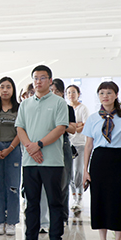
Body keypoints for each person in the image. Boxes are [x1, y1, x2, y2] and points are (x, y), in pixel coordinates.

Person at [15, 65, 69, 240]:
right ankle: (30, 239)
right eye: (35, 78)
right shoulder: (25, 104)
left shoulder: (59, 102)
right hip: (30, 161)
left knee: (55, 201)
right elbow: (20, 128)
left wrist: (38, 144)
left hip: (52, 161)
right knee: (31, 202)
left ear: (50, 81)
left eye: (42, 78)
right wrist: (30, 147)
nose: (38, 81)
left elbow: (60, 128)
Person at [82, 81, 121, 240]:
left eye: (109, 93)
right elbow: (88, 145)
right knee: (99, 200)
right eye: (102, 93)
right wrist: (85, 170)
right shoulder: (93, 118)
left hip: (117, 159)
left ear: (116, 95)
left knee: (119, 200)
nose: (105, 96)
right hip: (98, 161)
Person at [0, 76, 21, 236]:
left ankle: (11, 222)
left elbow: (21, 130)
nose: (5, 90)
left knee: (13, 187)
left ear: (13, 89)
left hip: (13, 149)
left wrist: (9, 148)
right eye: (2, 87)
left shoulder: (19, 108)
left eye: (8, 87)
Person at [50, 78, 76, 223]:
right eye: (51, 91)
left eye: (57, 91)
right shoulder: (45, 107)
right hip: (47, 144)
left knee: (64, 181)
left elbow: (73, 129)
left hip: (63, 143)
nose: (54, 94)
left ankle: (62, 216)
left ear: (62, 93)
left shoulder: (67, 108)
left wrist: (60, 124)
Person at [66, 85, 90, 213]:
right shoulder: (66, 108)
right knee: (69, 173)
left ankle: (80, 198)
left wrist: (74, 127)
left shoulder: (83, 108)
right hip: (69, 144)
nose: (71, 95)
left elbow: (85, 126)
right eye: (69, 92)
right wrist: (77, 125)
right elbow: (66, 126)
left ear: (78, 94)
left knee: (78, 172)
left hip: (80, 144)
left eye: (73, 92)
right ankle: (74, 197)